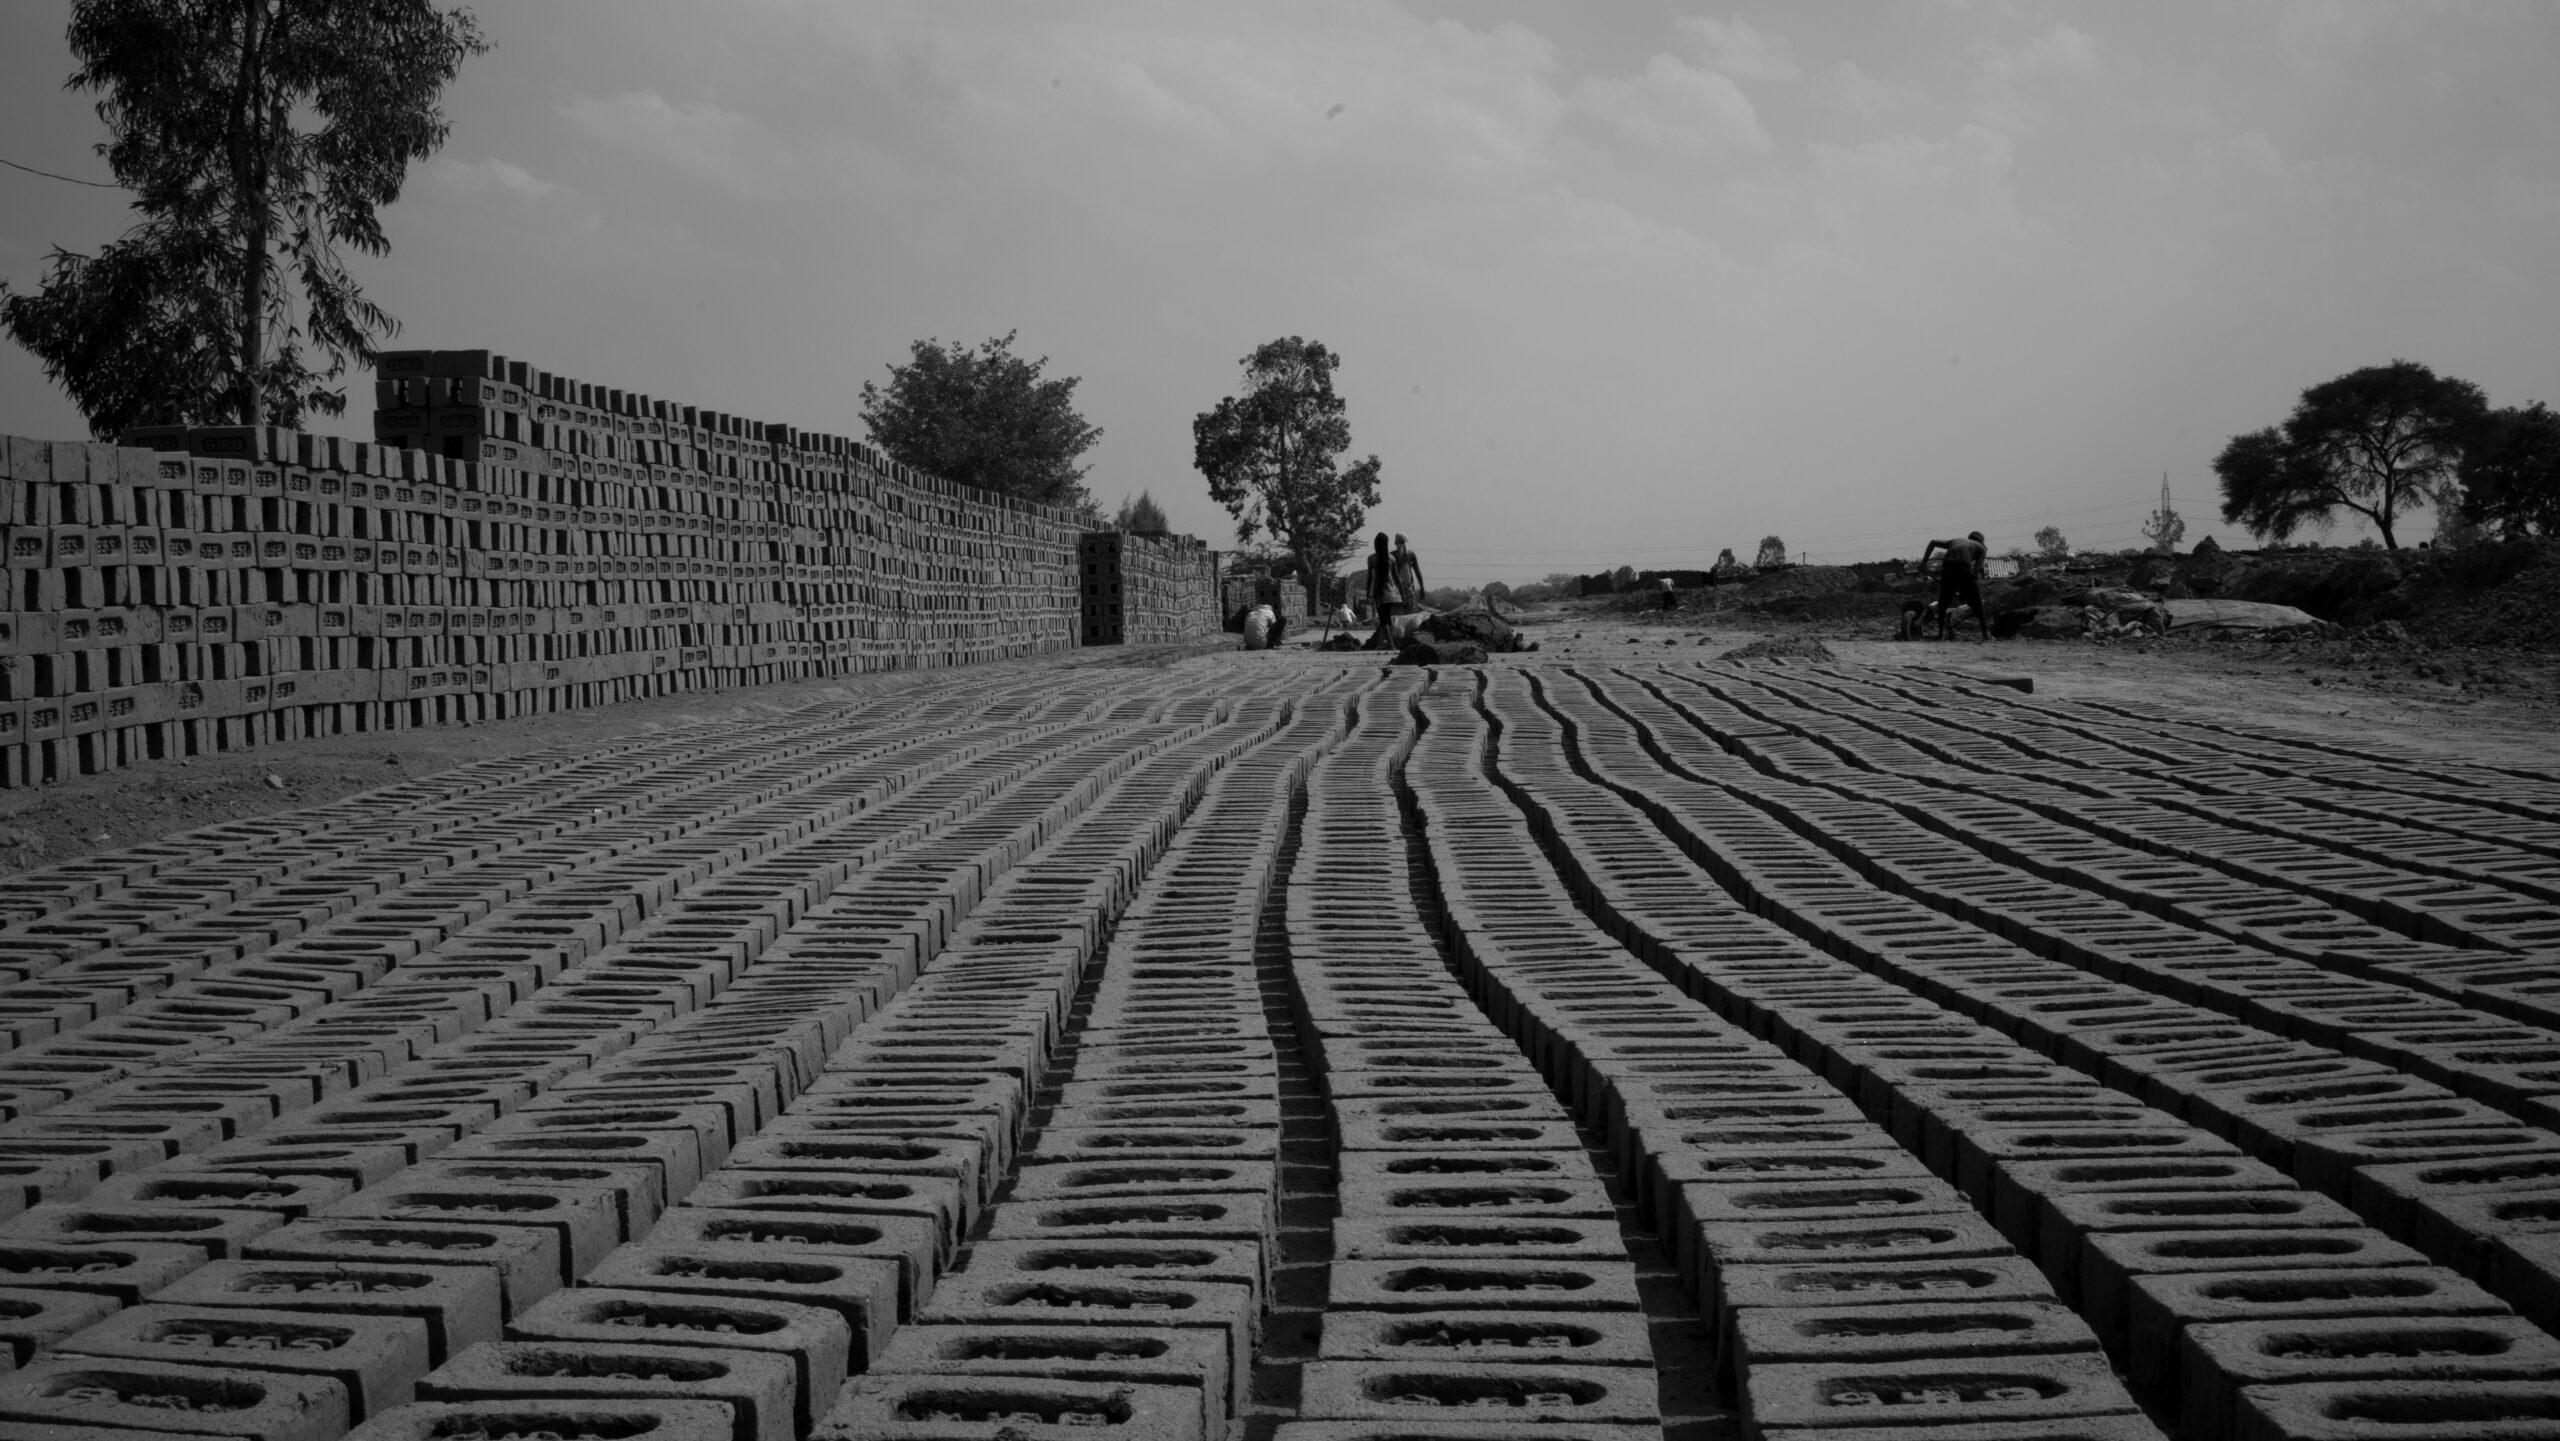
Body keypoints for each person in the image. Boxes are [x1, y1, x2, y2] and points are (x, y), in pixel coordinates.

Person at [1918, 530, 1991, 642]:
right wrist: (1969, 585)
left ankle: (1940, 635)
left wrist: (1924, 563)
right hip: (1964, 568)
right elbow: (1976, 570)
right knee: (1977, 604)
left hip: (1947, 568)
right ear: (1981, 541)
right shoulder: (1981, 548)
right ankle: (1985, 634)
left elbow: (1933, 542)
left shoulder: (1956, 541)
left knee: (1943, 604)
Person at [1366, 533, 1396, 644]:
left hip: (1379, 592)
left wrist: (1368, 593)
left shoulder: (1371, 558)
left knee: (1383, 619)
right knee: (1388, 617)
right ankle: (1386, 642)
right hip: (1391, 592)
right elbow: (1396, 577)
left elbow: (1369, 578)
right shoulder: (1392, 558)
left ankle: (1390, 643)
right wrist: (1401, 592)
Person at [1392, 534, 1426, 612]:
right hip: (1409, 591)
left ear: (1395, 543)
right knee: (1409, 614)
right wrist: (1422, 588)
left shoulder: (1392, 556)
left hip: (1395, 591)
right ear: (1406, 542)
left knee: (1396, 616)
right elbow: (1418, 573)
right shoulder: (1411, 555)